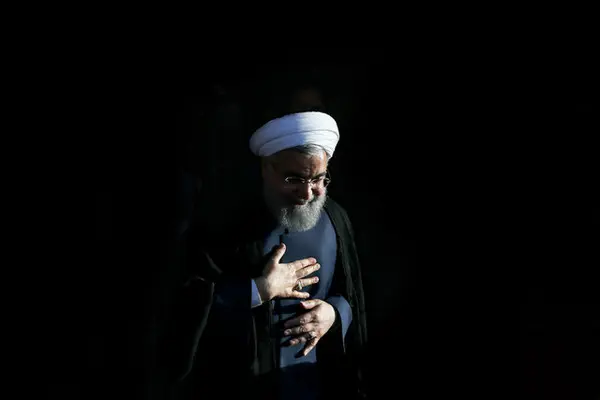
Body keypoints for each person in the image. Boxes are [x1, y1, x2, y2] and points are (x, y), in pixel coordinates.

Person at [161, 111, 368, 400]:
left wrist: (334, 314)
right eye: (294, 179)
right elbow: (178, 308)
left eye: (319, 179)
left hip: (315, 384)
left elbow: (350, 294)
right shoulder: (224, 224)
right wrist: (258, 290)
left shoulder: (335, 218)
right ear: (266, 168)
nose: (307, 193)